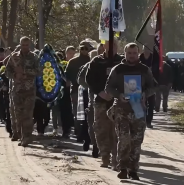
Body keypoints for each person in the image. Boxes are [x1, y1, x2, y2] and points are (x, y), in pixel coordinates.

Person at [105, 42, 155, 180]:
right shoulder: (118, 69)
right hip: (122, 110)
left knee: (136, 141)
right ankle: (122, 168)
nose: (132, 56)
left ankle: (133, 169)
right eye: (129, 53)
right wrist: (118, 95)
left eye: (134, 53)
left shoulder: (145, 70)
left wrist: (146, 93)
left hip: (138, 110)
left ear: (138, 54)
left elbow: (153, 87)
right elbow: (108, 87)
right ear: (125, 53)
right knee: (124, 139)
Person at [85, 40, 123, 168]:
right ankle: (105, 156)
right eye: (110, 46)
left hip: (117, 101)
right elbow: (89, 79)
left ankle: (116, 158)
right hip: (101, 100)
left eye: (115, 46)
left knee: (116, 131)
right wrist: (100, 92)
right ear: (104, 47)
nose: (113, 48)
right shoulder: (96, 61)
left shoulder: (122, 62)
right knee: (101, 130)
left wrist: (116, 93)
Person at [5, 37, 41, 147]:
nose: (25, 47)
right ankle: (21, 136)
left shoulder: (34, 57)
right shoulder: (14, 57)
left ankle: (27, 136)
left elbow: (39, 71)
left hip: (29, 91)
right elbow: (7, 72)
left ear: (29, 45)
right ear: (20, 45)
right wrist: (15, 75)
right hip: (17, 90)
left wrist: (25, 72)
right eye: (23, 45)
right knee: (18, 115)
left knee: (28, 115)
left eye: (27, 45)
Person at [65, 41, 92, 139]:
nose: (84, 50)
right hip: (76, 90)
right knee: (77, 113)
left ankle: (87, 133)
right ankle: (78, 133)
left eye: (86, 48)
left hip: (88, 91)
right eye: (82, 48)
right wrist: (70, 82)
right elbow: (67, 74)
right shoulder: (72, 61)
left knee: (88, 113)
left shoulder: (91, 60)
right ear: (79, 49)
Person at [139, 44, 156, 128]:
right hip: (140, 84)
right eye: (145, 48)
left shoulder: (154, 59)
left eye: (148, 49)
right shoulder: (139, 58)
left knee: (151, 104)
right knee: (142, 104)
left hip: (151, 84)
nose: (146, 50)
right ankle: (143, 121)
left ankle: (148, 122)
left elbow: (158, 71)